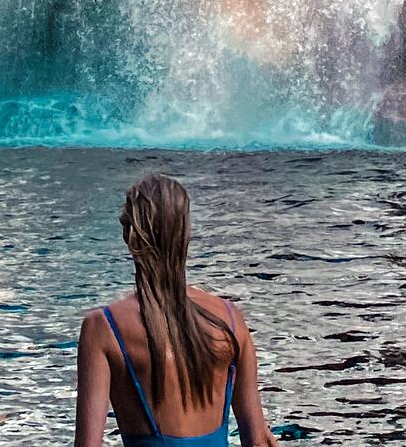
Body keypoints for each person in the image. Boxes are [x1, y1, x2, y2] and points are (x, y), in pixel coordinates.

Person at [74, 174, 273, 447]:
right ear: (185, 234)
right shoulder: (229, 319)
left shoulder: (104, 328)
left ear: (128, 236)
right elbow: (258, 441)